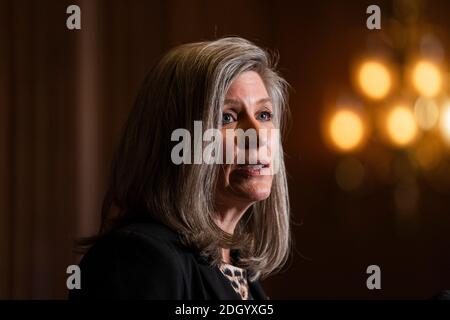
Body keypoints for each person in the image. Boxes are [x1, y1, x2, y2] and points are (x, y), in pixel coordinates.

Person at [69, 37, 291, 300]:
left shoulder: (240, 271)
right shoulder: (137, 257)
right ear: (175, 140)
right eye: (227, 117)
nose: (257, 135)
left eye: (264, 115)